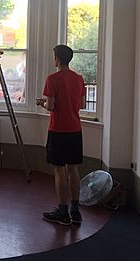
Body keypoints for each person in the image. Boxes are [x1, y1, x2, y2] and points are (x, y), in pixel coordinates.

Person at [36, 45, 86, 226]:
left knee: (59, 170)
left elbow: (51, 106)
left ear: (57, 58)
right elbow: (81, 104)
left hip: (57, 129)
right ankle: (75, 210)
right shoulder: (79, 79)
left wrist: (42, 103)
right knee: (73, 169)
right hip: (75, 129)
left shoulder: (52, 79)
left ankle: (62, 211)